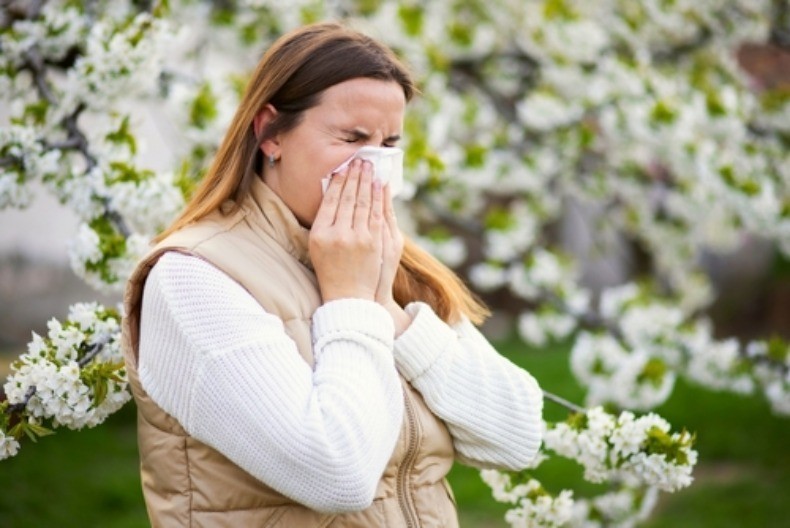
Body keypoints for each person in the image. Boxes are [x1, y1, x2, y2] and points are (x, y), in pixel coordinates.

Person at [121, 21, 543, 527]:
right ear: (271, 134)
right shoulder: (194, 278)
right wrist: (353, 301)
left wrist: (387, 309)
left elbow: (517, 436)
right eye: (352, 138)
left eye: (389, 143)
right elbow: (338, 473)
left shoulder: (384, 257)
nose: (373, 165)